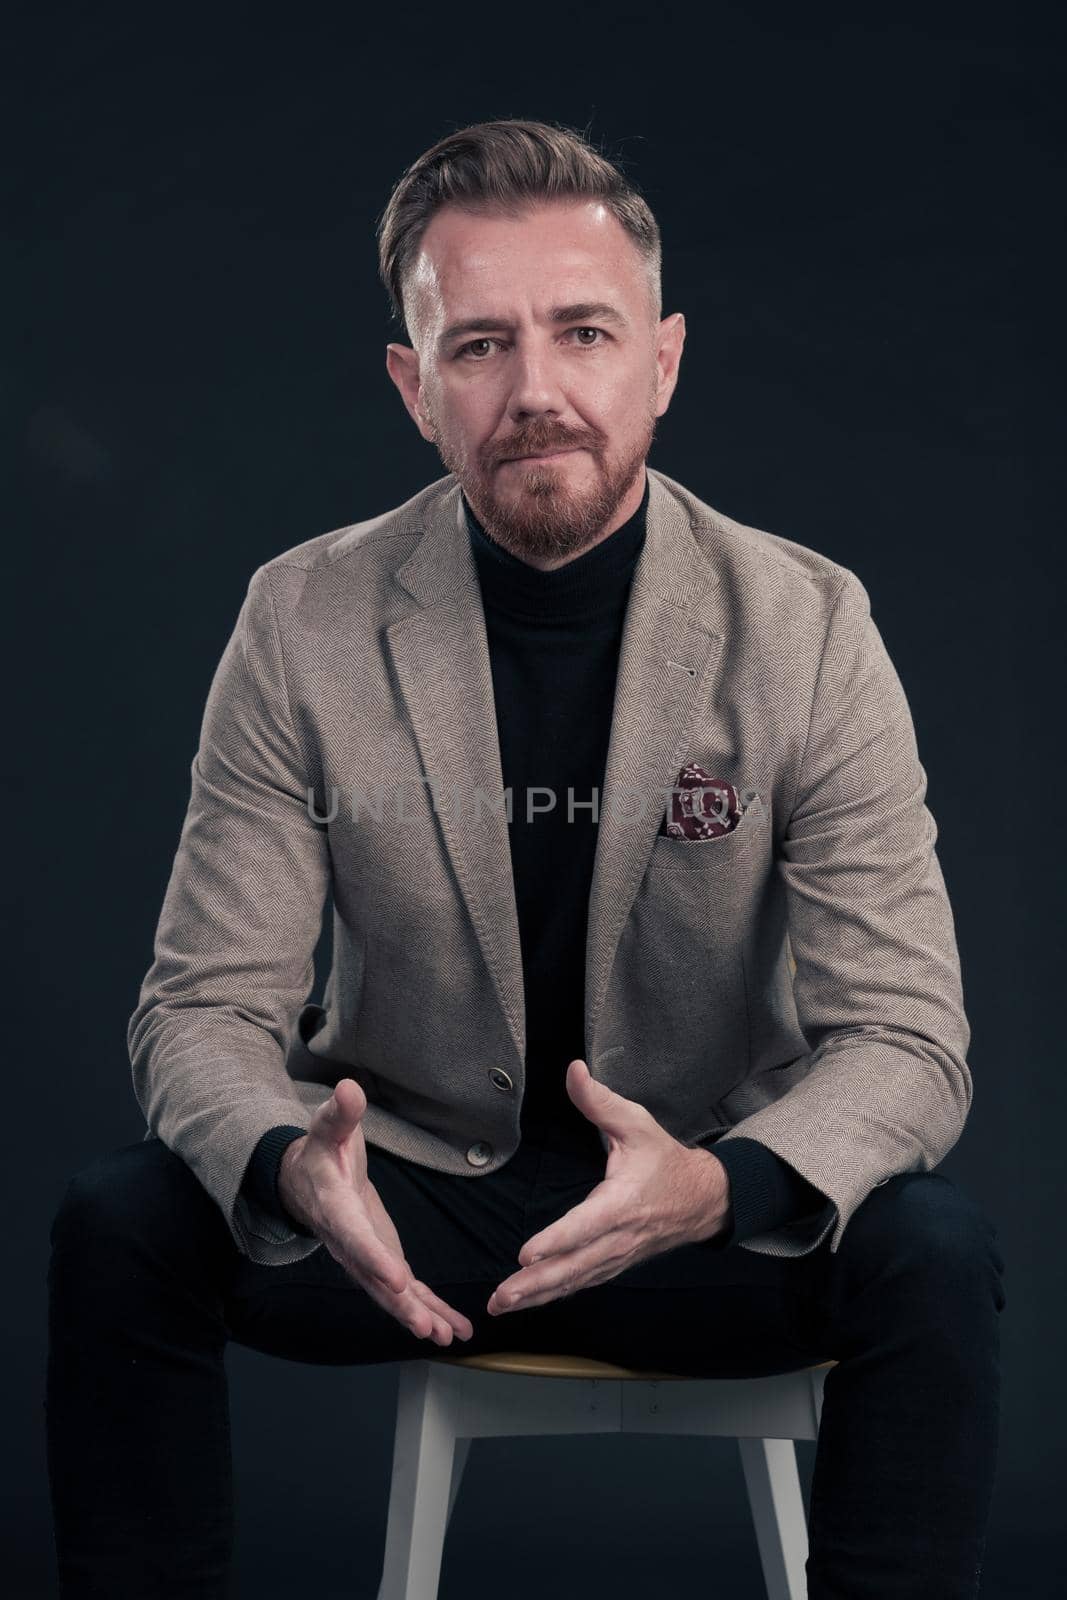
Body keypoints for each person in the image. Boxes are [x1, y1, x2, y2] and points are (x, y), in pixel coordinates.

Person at [46, 118, 1005, 1598]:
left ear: (664, 363)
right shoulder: (300, 618)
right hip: (407, 1198)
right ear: (411, 385)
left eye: (584, 332)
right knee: (122, 1222)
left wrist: (717, 1187)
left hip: (706, 1214)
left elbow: (910, 1039)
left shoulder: (810, 626)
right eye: (479, 344)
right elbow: (198, 1011)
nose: (537, 391)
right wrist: (295, 1171)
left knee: (934, 1254)